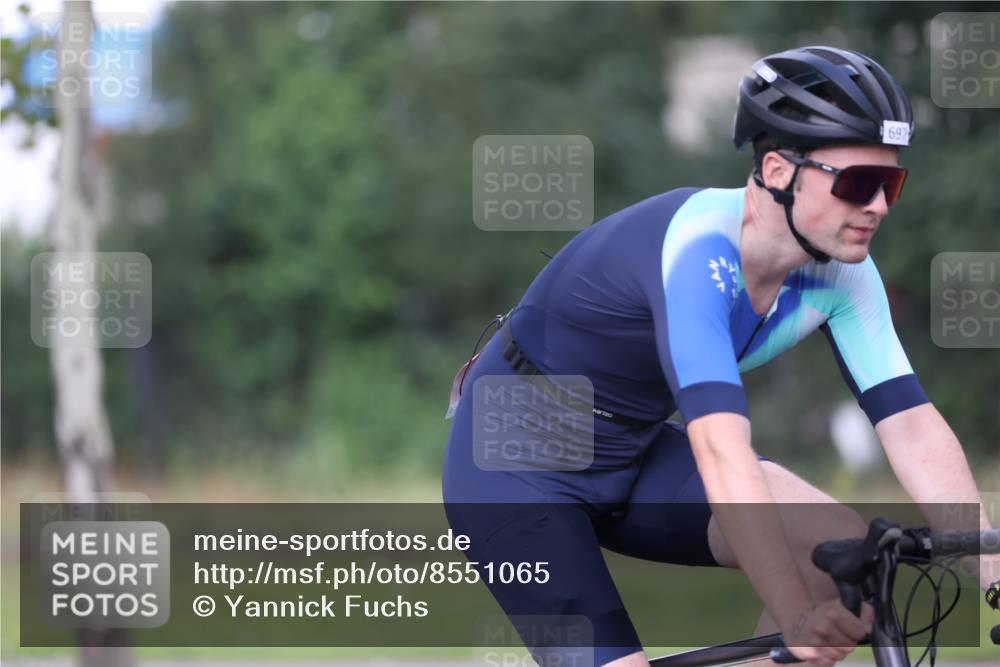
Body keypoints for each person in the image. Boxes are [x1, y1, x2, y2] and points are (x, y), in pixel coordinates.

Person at [442, 45, 998, 667]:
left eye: (892, 182)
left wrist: (993, 572)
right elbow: (720, 449)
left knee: (839, 550)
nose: (879, 206)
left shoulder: (845, 277)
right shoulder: (698, 254)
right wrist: (792, 617)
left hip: (631, 451)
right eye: (858, 183)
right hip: (512, 469)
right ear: (778, 170)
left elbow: (913, 427)